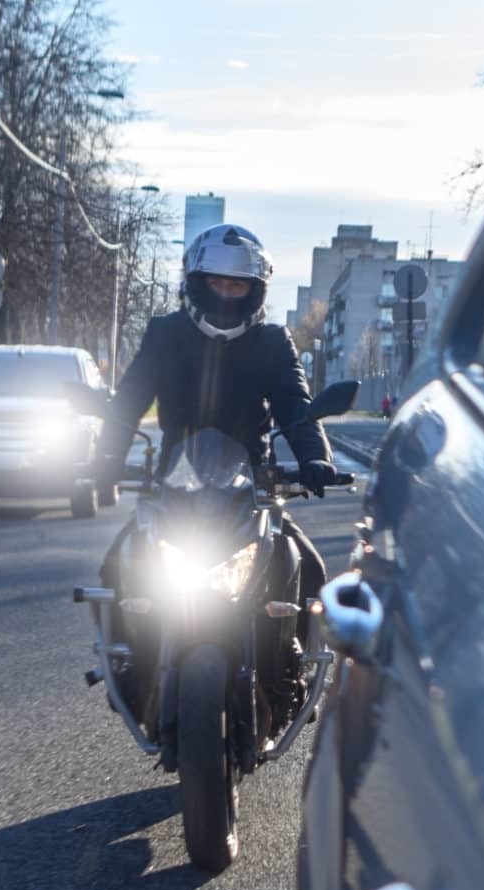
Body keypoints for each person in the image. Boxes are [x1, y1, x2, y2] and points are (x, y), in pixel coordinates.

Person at [96, 223, 344, 723]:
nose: (228, 293)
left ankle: (290, 669)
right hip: (175, 486)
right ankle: (129, 666)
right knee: (116, 567)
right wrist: (105, 458)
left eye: (239, 286)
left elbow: (295, 406)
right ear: (195, 282)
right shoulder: (166, 335)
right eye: (218, 283)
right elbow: (127, 402)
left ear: (255, 291)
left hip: (250, 485)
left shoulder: (273, 342)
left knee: (311, 571)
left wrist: (317, 459)